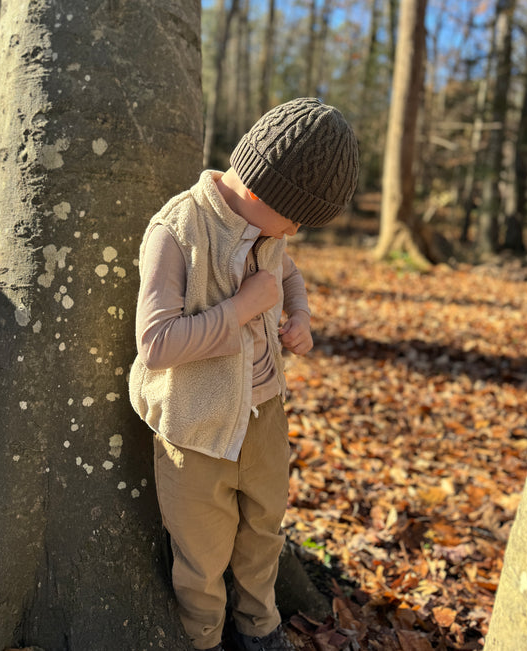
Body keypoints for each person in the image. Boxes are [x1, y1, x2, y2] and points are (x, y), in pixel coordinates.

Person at [129, 97, 359, 651]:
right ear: (262, 193)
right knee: (201, 557)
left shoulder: (268, 233)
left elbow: (290, 275)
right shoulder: (178, 228)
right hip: (196, 432)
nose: (296, 232)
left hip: (264, 416)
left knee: (263, 532)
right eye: (296, 218)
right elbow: (155, 344)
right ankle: (203, 638)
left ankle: (258, 627)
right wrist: (243, 308)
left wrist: (298, 315)